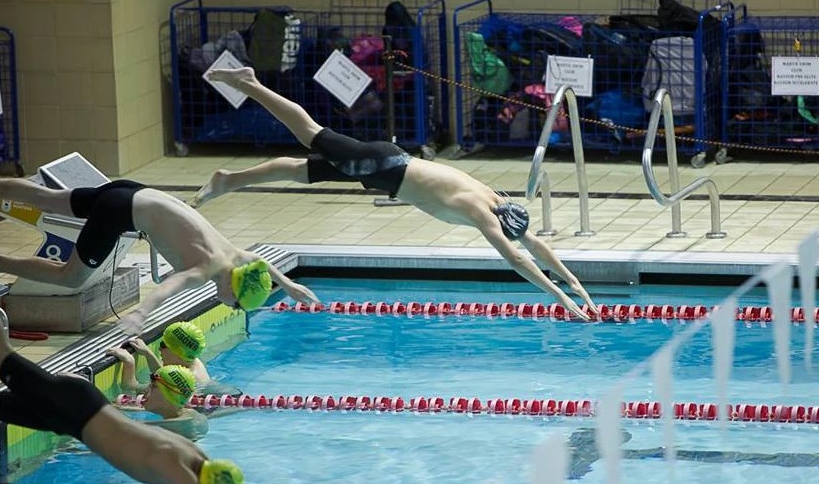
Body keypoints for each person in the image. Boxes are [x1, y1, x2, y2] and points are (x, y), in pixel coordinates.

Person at [196, 67, 597, 320]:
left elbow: (536, 247)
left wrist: (574, 283)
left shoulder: (494, 198)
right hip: (381, 167)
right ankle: (251, 84)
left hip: (387, 163)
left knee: (304, 171)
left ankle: (229, 180)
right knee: (310, 134)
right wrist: (560, 300)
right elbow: (518, 260)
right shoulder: (482, 212)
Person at [0, 310, 288, 484]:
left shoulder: (196, 457)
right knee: (2, 354)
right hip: (75, 407)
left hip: (72, 417)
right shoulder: (174, 462)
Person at [0, 178, 319, 333]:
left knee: (49, 199)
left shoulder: (234, 258)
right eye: (236, 303)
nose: (231, 306)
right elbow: (168, 288)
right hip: (120, 211)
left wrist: (288, 286)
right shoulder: (206, 270)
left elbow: (258, 261)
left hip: (135, 190)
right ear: (234, 290)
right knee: (70, 277)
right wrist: (141, 314)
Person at [106, 349, 209, 440]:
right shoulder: (188, 413)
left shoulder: (171, 427)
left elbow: (125, 429)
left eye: (153, 387)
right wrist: (124, 408)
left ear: (168, 395)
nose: (146, 390)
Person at [125, 321, 210, 386]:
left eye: (163, 345)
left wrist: (129, 362)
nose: (159, 349)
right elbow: (162, 375)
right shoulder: (190, 356)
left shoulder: (185, 379)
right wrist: (147, 354)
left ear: (178, 354)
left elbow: (130, 387)